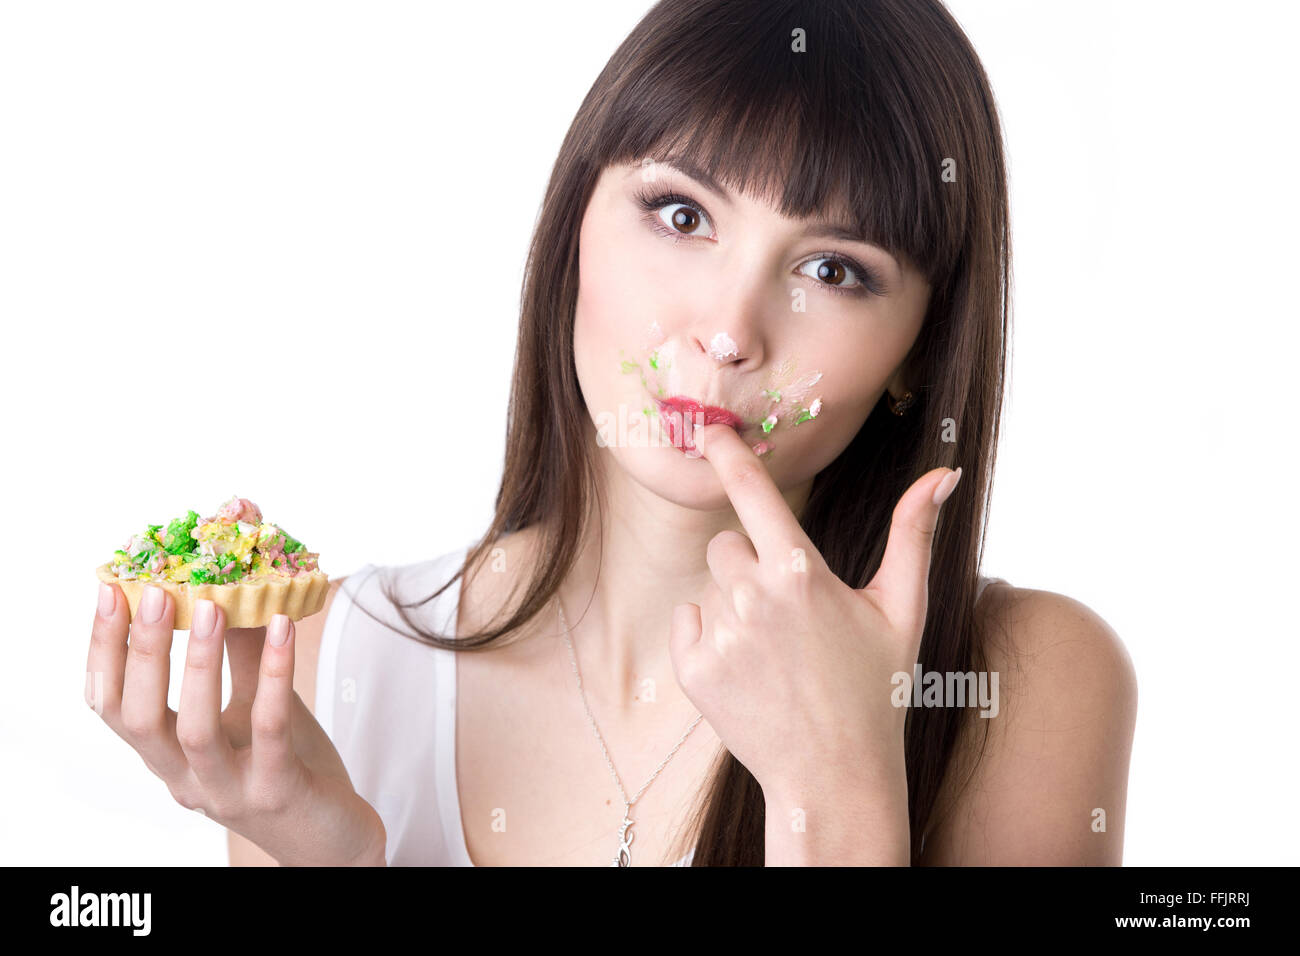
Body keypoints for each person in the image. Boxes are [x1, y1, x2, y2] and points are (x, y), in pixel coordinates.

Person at [87, 0, 1137, 866]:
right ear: (572, 223)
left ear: (916, 350)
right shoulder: (327, 665)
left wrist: (839, 784)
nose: (727, 331)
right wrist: (335, 852)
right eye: (681, 215)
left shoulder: (1024, 678)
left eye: (833, 270)